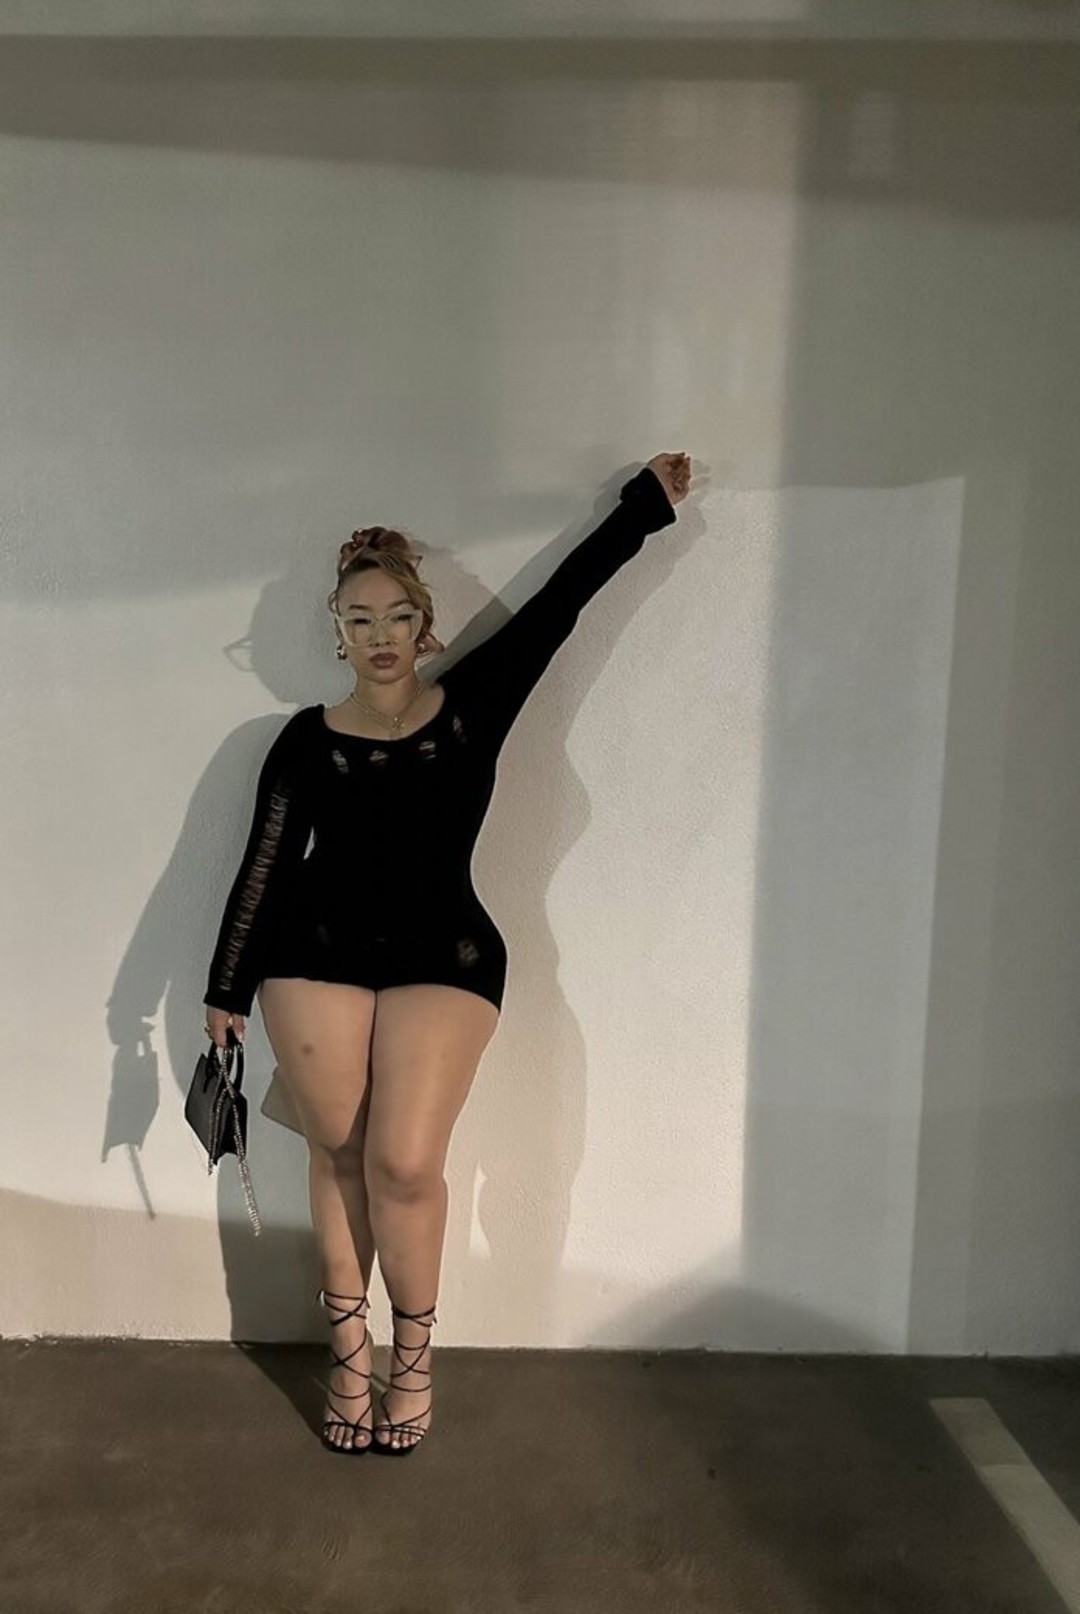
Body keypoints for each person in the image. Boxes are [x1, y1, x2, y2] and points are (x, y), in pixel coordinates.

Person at [202, 451, 692, 1454]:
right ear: (338, 633)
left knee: (403, 1161)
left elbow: (559, 607)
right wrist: (226, 988)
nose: (379, 636)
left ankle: (413, 1362)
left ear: (423, 627)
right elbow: (264, 867)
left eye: (396, 617)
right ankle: (350, 1357)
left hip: (447, 953)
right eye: (359, 620)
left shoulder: (475, 703)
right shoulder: (301, 740)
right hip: (313, 954)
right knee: (339, 1151)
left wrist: (642, 506)